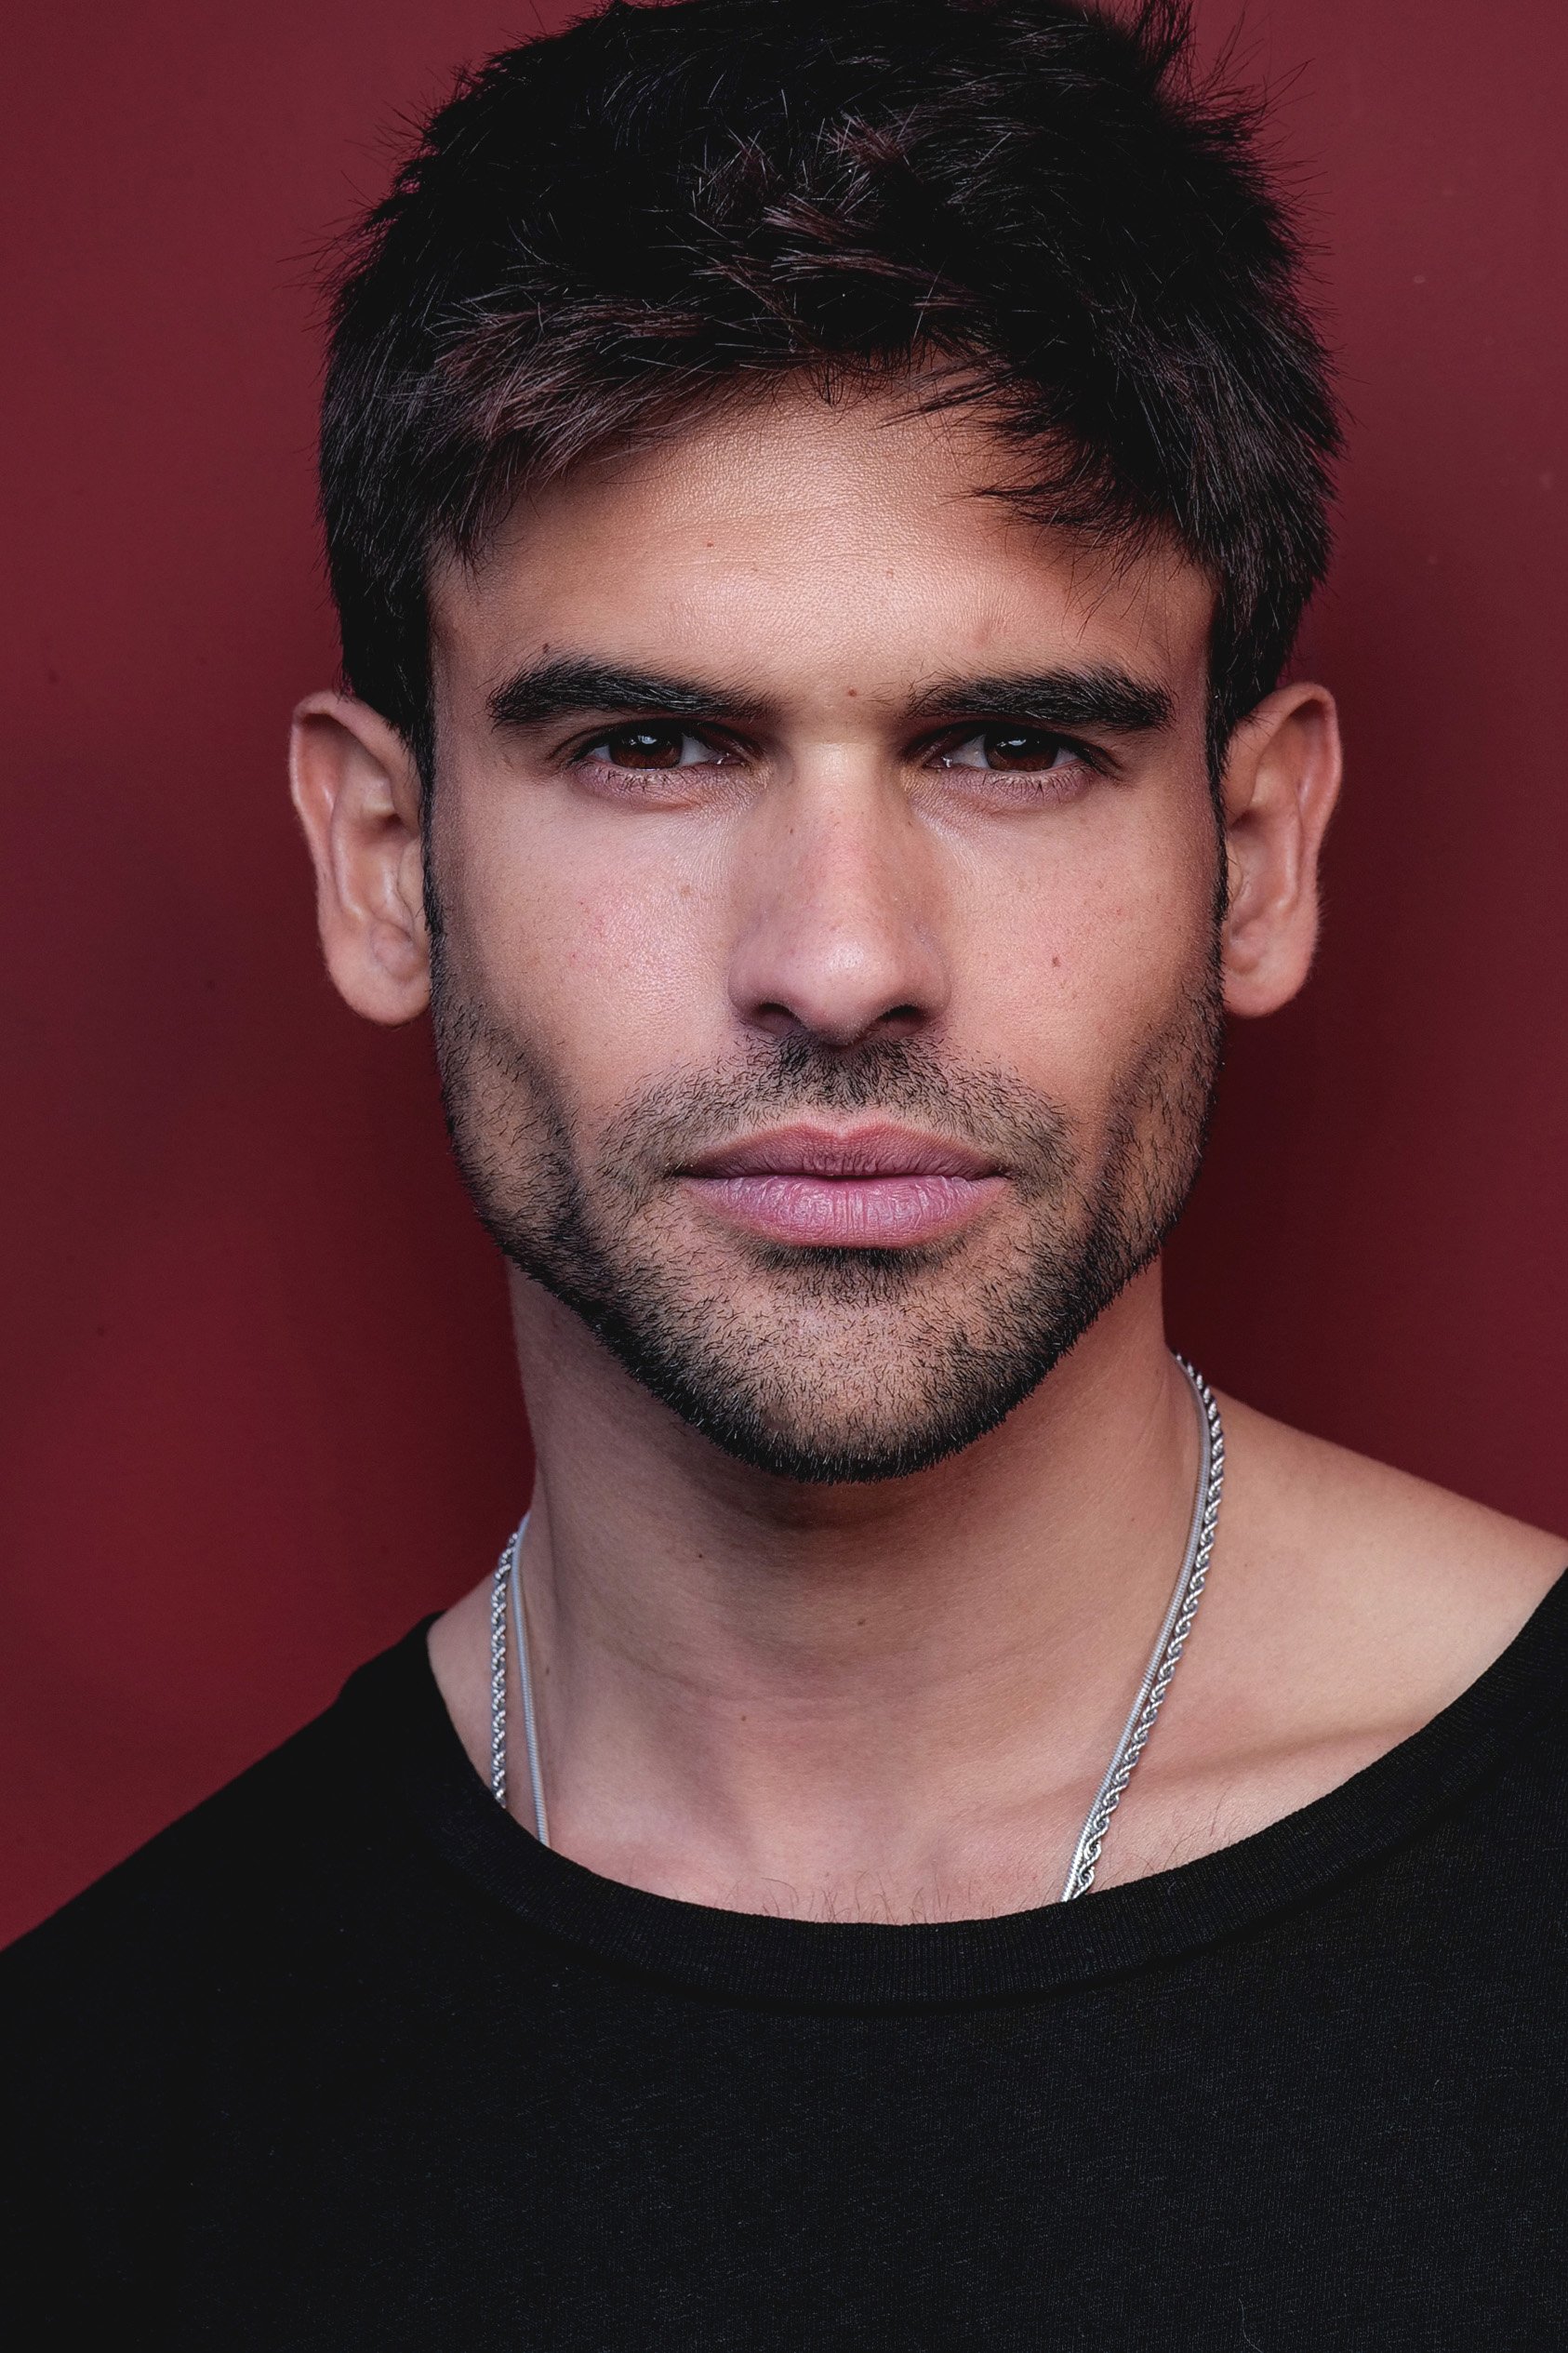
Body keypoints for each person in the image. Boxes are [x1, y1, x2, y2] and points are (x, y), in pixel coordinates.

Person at [7, 0, 1567, 2340]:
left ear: (1253, 858)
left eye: (1014, 742)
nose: (839, 960)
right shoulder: (92, 2127)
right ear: (382, 859)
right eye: (649, 742)